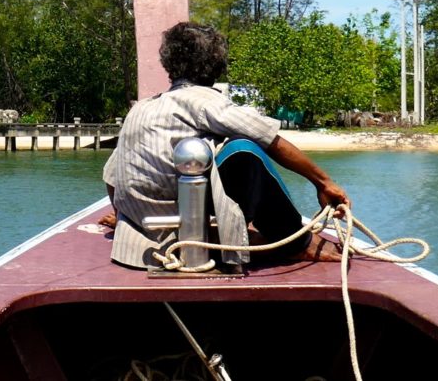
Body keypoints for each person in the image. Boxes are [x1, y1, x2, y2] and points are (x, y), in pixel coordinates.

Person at [101, 22, 351, 269]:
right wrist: (323, 182)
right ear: (217, 66)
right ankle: (297, 243)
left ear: (169, 65)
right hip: (180, 238)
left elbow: (111, 177)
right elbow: (269, 137)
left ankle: (207, 233)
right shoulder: (204, 101)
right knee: (244, 149)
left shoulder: (141, 108)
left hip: (141, 231)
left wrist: (128, 218)